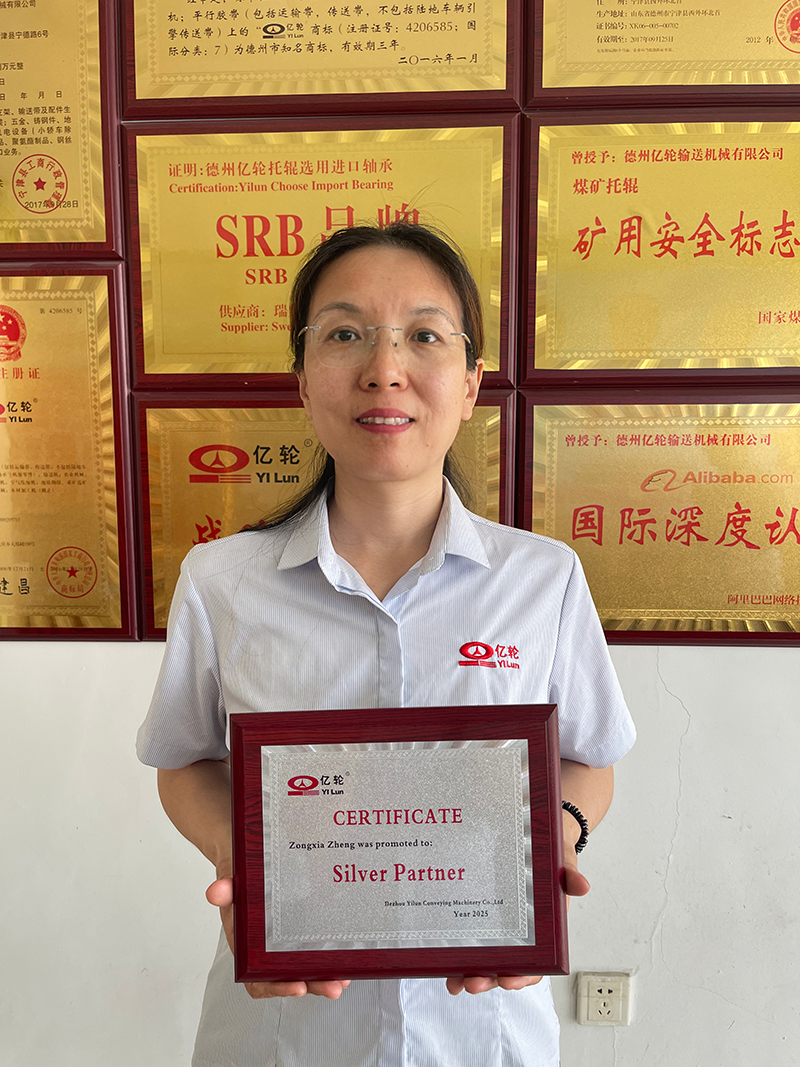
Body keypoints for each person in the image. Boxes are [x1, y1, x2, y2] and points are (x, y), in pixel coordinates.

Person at [138, 221, 635, 1067]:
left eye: (424, 335)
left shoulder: (541, 578)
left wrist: (558, 828)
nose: (385, 368)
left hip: (482, 1030)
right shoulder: (223, 580)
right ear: (303, 381)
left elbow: (591, 757)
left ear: (471, 382)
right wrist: (244, 862)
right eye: (345, 335)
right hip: (287, 1032)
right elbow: (184, 760)